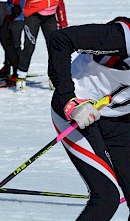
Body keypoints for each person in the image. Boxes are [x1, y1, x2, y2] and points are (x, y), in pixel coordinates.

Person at [48, 16, 130, 220]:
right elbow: (60, 39)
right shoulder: (122, 37)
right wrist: (69, 100)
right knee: (106, 197)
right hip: (78, 113)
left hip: (120, 120)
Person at [15, 0, 67, 92]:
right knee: (29, 46)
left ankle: (53, 77)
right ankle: (21, 76)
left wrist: (63, 21)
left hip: (50, 15)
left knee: (54, 46)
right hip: (33, 14)